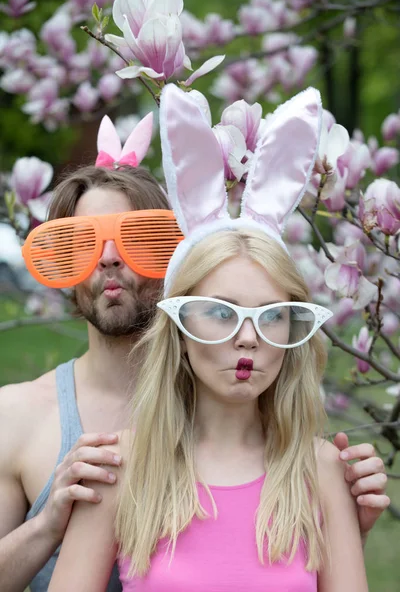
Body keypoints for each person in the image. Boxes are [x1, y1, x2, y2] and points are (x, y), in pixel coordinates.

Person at [0, 104, 388, 592]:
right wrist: (47, 525)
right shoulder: (53, 436)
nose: (110, 259)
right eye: (81, 243)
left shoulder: (316, 466)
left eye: (140, 239)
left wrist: (338, 525)